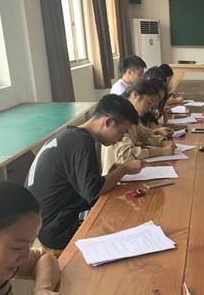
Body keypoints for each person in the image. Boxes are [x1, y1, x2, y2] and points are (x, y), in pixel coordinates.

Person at [26, 95, 144, 254]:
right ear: (108, 122)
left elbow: (89, 185)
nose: (121, 138)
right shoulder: (81, 143)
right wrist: (123, 169)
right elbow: (93, 191)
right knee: (125, 229)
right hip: (56, 232)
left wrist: (112, 175)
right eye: (121, 132)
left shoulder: (72, 136)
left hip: (45, 225)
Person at [101, 79, 176, 175]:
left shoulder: (132, 114)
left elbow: (145, 133)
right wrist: (160, 151)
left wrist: (163, 142)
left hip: (128, 173)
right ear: (135, 95)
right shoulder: (119, 115)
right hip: (115, 177)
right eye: (149, 103)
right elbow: (127, 154)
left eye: (152, 106)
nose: (150, 109)